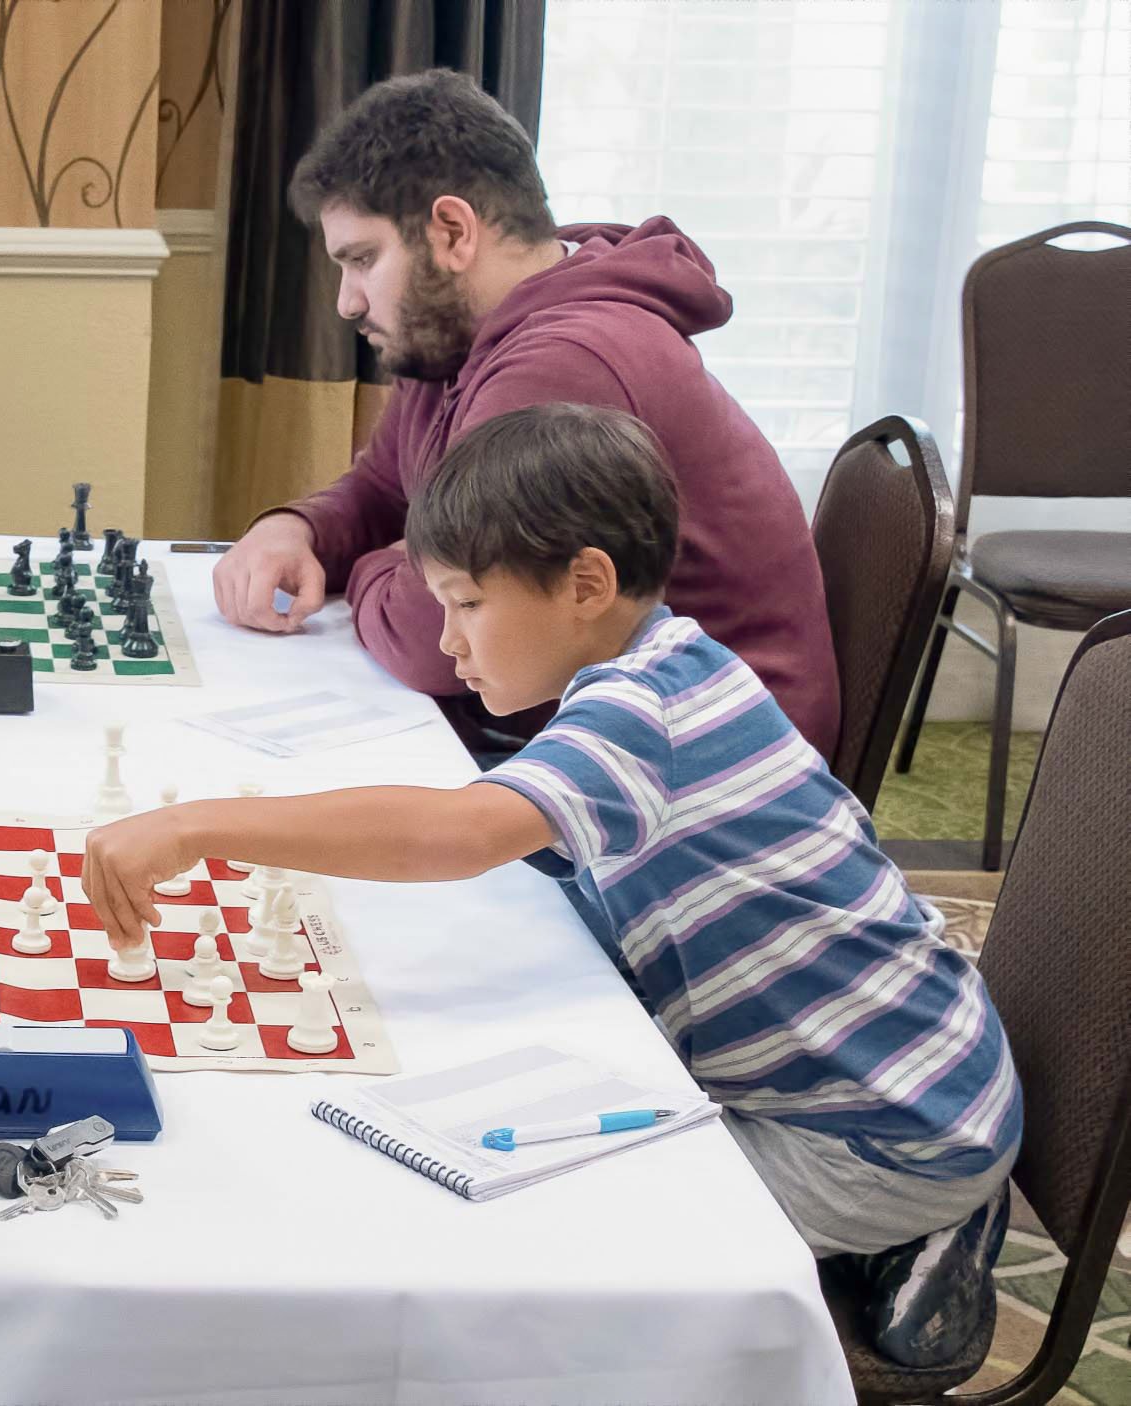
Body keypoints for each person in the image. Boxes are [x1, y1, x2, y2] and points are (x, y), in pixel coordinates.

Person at [91, 403, 1020, 1371]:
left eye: (467, 604)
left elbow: (455, 833)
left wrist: (196, 825)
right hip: (911, 1061)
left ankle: (919, 1225)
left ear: (585, 582)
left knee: (561, 1241)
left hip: (882, 1129)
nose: (448, 643)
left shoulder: (642, 712)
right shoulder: (662, 662)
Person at [211, 69, 839, 759]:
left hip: (703, 788)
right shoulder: (455, 334)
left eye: (362, 260)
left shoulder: (567, 363)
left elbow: (435, 642)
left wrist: (368, 568)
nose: (348, 302)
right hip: (581, 731)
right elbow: (386, 490)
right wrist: (294, 528)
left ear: (452, 231)